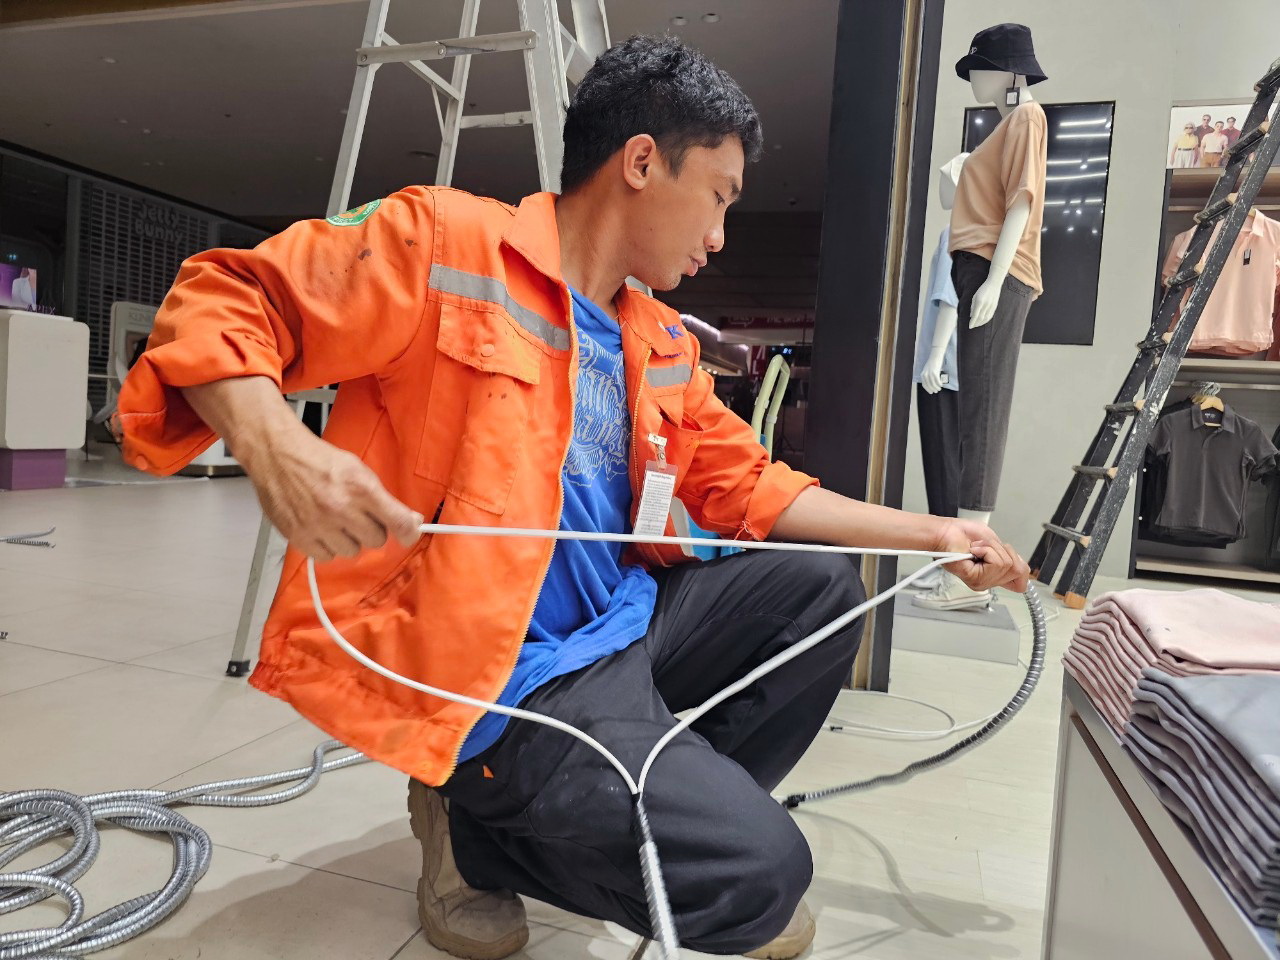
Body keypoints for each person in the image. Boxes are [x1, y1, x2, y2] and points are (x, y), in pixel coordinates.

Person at [114, 35, 1029, 960]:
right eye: (718, 196)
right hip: (502, 678)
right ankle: (477, 836)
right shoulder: (442, 243)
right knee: (761, 879)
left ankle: (654, 815)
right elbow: (223, 298)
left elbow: (749, 483)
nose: (720, 236)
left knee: (821, 589)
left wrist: (934, 533)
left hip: (620, 632)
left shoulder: (658, 338)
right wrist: (274, 447)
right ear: (642, 162)